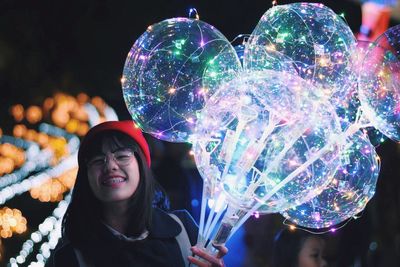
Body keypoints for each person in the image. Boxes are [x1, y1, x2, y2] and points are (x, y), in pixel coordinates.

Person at [45, 120, 227, 267]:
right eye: (98, 160)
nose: (110, 166)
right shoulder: (72, 256)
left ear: (141, 165)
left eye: (122, 156)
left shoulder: (183, 230)